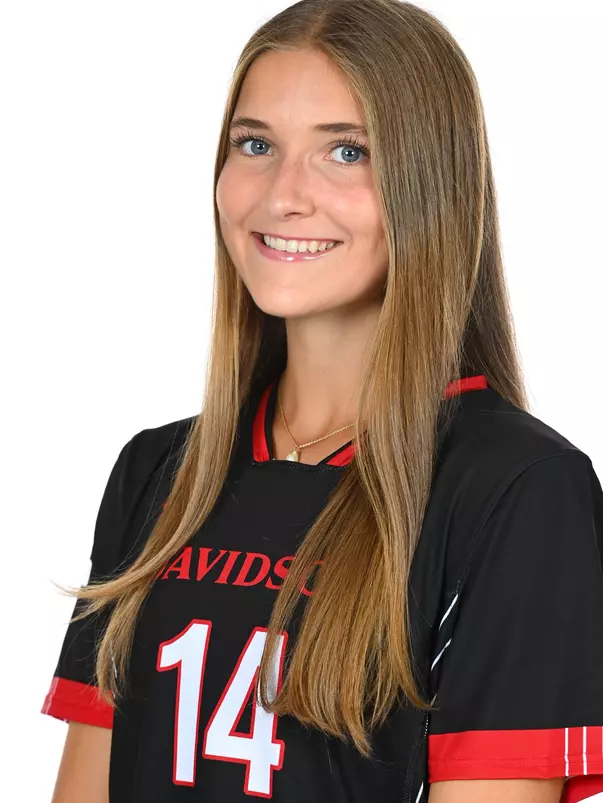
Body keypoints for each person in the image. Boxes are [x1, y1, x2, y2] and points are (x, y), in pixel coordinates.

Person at [42, 1, 603, 802]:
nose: (282, 195)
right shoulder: (156, 473)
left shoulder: (517, 490)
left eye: (345, 151)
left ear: (429, 188)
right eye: (255, 144)